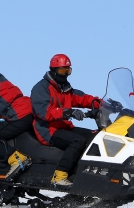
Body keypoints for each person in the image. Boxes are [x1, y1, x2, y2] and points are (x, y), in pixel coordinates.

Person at [30, 54, 101, 188]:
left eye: (68, 71)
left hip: (63, 127)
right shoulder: (41, 88)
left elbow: (82, 98)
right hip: (48, 129)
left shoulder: (65, 88)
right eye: (63, 71)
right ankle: (60, 175)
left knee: (95, 137)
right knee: (77, 141)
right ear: (53, 70)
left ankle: (87, 175)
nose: (65, 75)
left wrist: (101, 104)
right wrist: (68, 112)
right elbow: (43, 112)